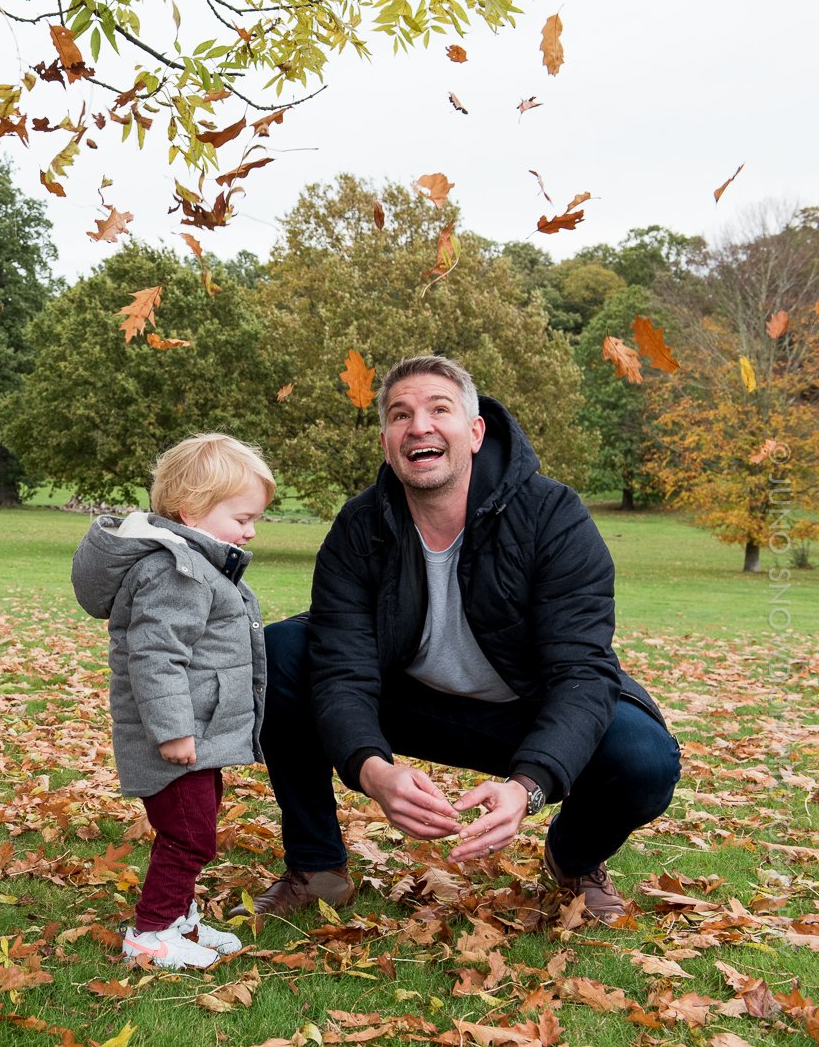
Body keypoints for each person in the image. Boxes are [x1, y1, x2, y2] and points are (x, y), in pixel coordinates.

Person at [240, 355, 679, 924]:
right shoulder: (360, 525)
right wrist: (374, 771)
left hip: (524, 709)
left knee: (645, 758)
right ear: (387, 442)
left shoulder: (554, 516)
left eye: (438, 409)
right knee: (281, 654)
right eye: (400, 415)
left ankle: (574, 860)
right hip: (408, 701)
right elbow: (341, 668)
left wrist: (529, 787)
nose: (418, 425)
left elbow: (582, 672)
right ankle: (317, 866)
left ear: (475, 433)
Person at [71, 434, 274, 969]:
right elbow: (156, 657)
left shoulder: (198, 565)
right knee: (189, 837)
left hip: (196, 735)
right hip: (178, 739)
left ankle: (179, 919)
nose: (251, 531)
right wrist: (174, 731)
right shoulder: (176, 571)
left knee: (193, 828)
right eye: (242, 518)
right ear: (193, 511)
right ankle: (152, 930)